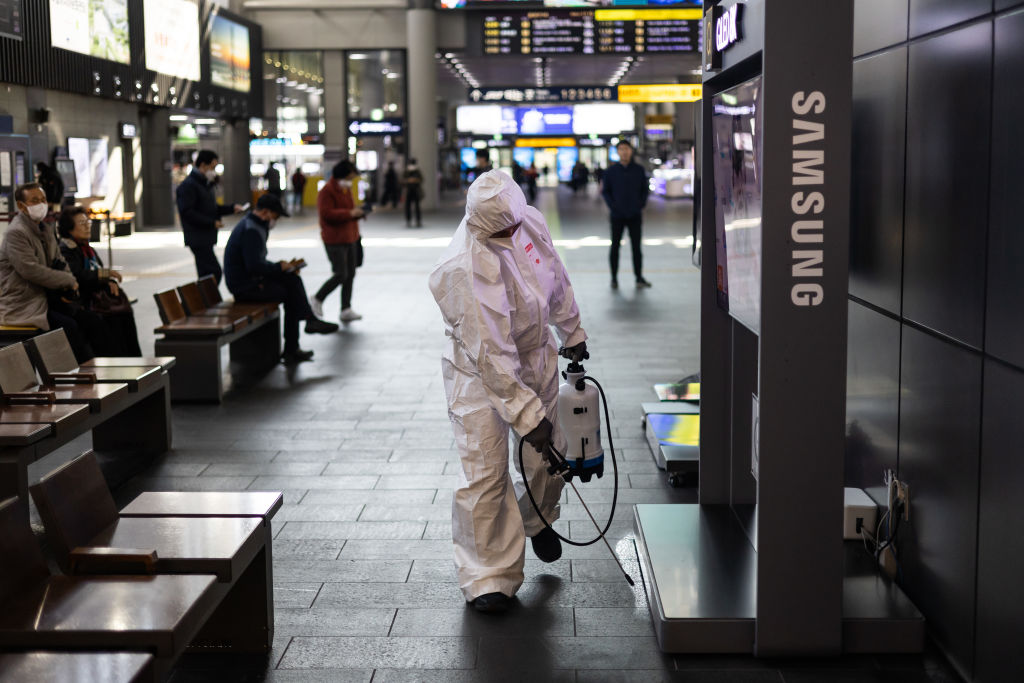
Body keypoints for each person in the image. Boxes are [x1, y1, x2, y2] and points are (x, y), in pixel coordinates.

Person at [428, 170, 589, 614]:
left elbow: (553, 275)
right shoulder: (461, 268)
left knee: (549, 458)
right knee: (486, 472)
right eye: (503, 230)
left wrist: (571, 329)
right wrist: (523, 412)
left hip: (536, 357)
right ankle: (488, 578)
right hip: (478, 376)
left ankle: (536, 520)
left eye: (514, 226)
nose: (512, 234)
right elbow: (491, 352)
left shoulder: (527, 221)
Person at [224, 194, 339, 364]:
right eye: (276, 216)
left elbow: (256, 264)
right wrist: (279, 267)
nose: (276, 221)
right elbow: (254, 266)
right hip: (245, 288)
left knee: (292, 280)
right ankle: (301, 335)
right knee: (290, 291)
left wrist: (284, 268)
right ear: (265, 212)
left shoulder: (255, 226)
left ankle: (304, 331)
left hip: (250, 282)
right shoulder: (251, 231)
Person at [0, 184, 95, 361]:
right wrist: (67, 279)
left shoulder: (45, 229)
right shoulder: (16, 233)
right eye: (34, 201)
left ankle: (100, 371)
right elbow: (32, 271)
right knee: (69, 327)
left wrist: (69, 280)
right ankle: (77, 378)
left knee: (91, 320)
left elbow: (59, 260)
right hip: (24, 303)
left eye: (43, 200)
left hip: (46, 299)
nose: (41, 204)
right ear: (21, 206)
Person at [57, 206, 142, 357]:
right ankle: (117, 362)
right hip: (83, 300)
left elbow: (98, 273)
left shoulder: (87, 249)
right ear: (69, 229)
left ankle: (133, 360)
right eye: (82, 223)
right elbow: (78, 275)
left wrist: (109, 281)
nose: (87, 226)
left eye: (87, 222)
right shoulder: (66, 250)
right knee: (110, 320)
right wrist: (104, 276)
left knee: (125, 312)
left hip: (96, 297)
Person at [176, 149, 244, 284]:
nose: (214, 171)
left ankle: (203, 302)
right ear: (203, 165)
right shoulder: (189, 186)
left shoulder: (205, 184)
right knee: (213, 272)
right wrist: (211, 223)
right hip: (197, 237)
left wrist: (231, 208)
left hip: (205, 236)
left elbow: (211, 208)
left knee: (207, 274)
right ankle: (201, 302)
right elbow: (187, 212)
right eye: (213, 167)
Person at [312, 160, 365, 323]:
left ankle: (345, 309)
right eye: (349, 177)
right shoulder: (327, 191)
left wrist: (358, 213)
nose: (351, 181)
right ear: (341, 175)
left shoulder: (345, 189)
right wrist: (349, 214)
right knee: (341, 274)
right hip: (334, 239)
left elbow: (350, 210)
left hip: (351, 237)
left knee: (350, 274)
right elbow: (327, 214)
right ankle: (317, 298)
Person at [601, 141, 651, 289]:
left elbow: (644, 190)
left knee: (637, 248)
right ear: (617, 152)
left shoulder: (639, 170)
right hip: (617, 216)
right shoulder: (611, 171)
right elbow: (606, 192)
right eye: (621, 149)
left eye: (626, 149)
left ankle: (639, 277)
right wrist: (613, 206)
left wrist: (640, 205)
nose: (624, 152)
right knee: (615, 246)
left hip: (635, 215)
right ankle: (614, 278)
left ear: (631, 151)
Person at [403, 158, 424, 228]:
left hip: (415, 190)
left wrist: (415, 180)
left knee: (416, 206)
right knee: (409, 206)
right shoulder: (407, 171)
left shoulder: (417, 171)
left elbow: (421, 179)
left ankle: (417, 220)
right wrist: (408, 180)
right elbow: (403, 180)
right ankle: (409, 220)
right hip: (409, 190)